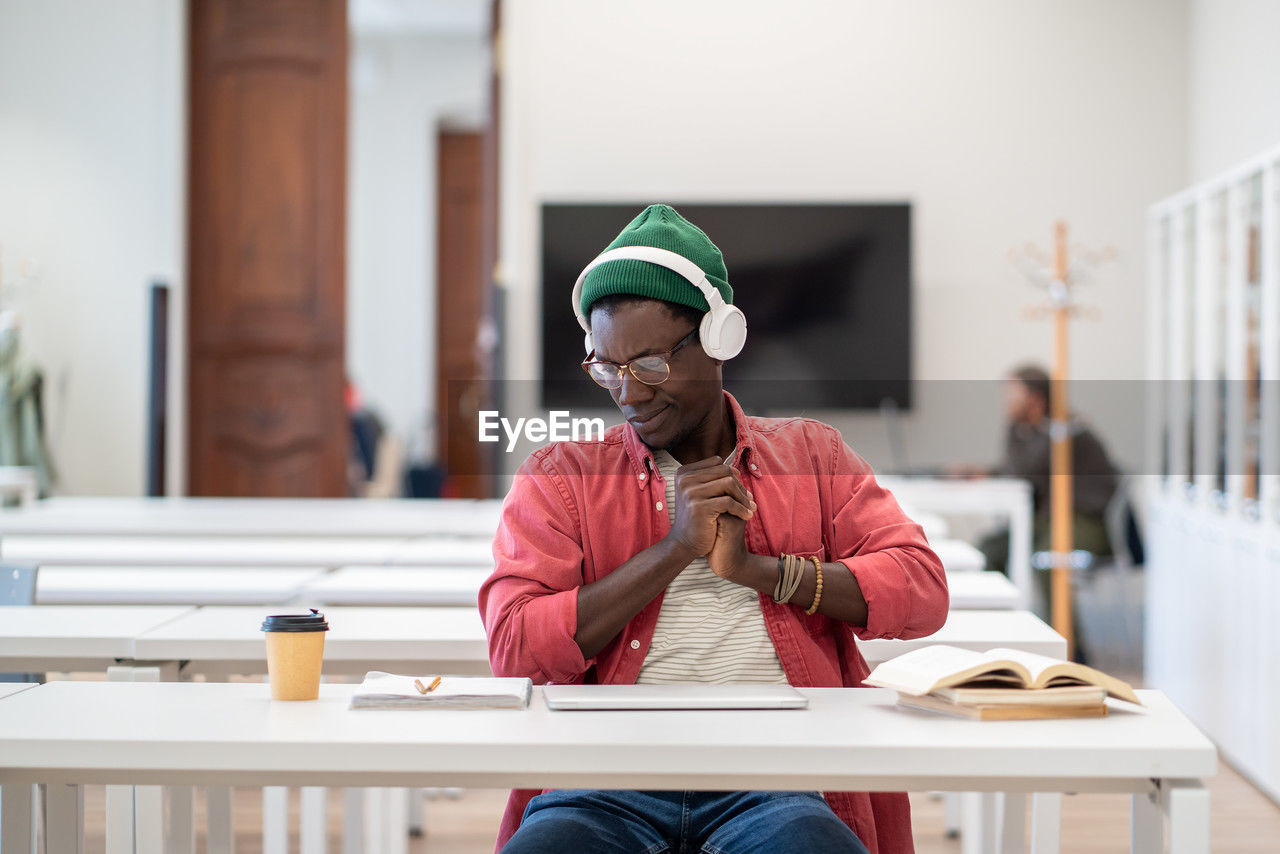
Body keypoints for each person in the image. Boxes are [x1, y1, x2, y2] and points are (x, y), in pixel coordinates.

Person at [479, 204, 948, 854]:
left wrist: (764, 572)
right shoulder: (561, 477)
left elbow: (922, 590)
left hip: (777, 778)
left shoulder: (813, 456)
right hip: (602, 777)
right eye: (606, 367)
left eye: (646, 364)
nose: (627, 392)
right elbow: (513, 645)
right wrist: (673, 551)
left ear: (718, 339)